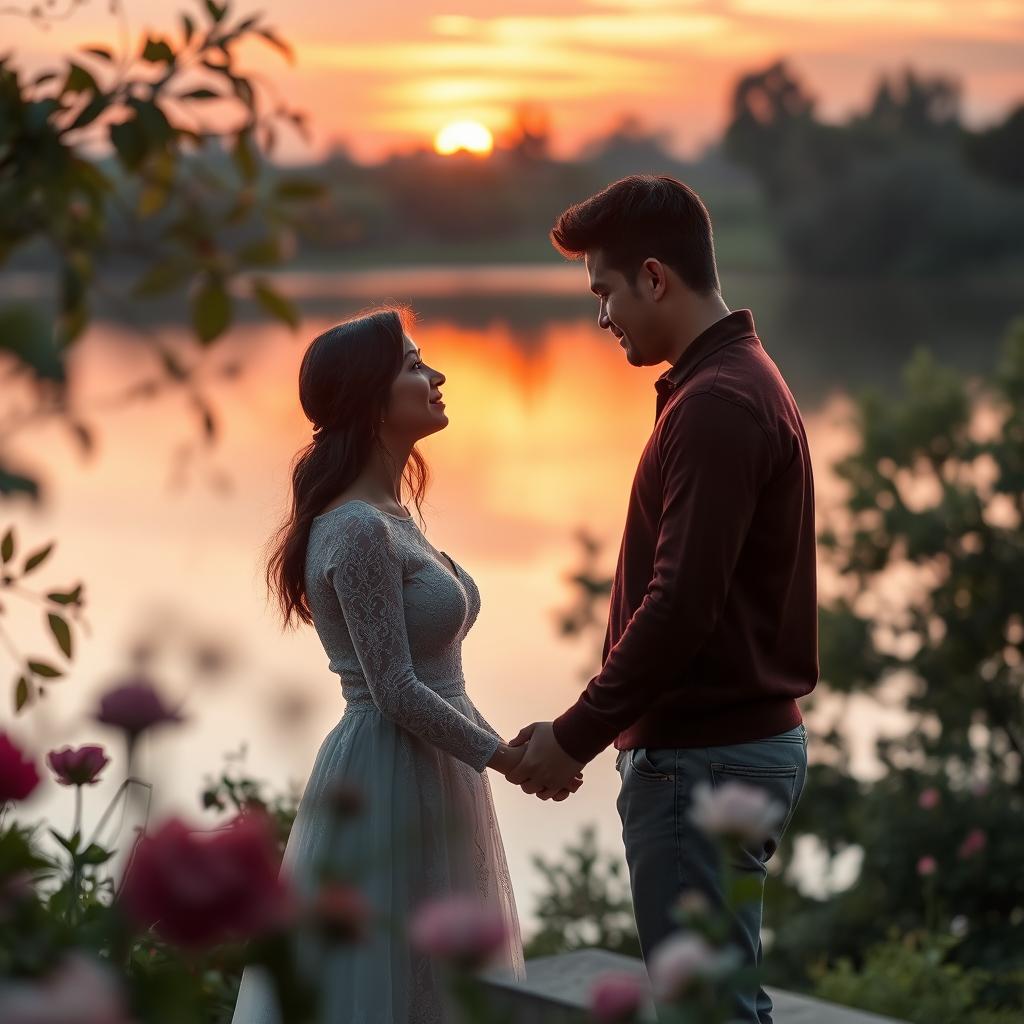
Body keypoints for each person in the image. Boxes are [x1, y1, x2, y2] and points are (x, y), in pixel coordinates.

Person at [507, 175, 819, 1024]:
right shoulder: (727, 383)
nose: (601, 318)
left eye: (604, 293)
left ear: (654, 277)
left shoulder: (717, 404)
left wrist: (573, 735)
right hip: (722, 748)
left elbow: (681, 604)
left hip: (703, 756)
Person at [231, 307, 579, 1023]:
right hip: (386, 771)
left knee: (440, 984)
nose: (437, 376)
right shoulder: (356, 528)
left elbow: (442, 679)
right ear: (369, 396)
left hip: (438, 765)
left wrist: (504, 750)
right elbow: (394, 689)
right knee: (388, 981)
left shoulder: (392, 513)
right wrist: (507, 761)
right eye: (416, 365)